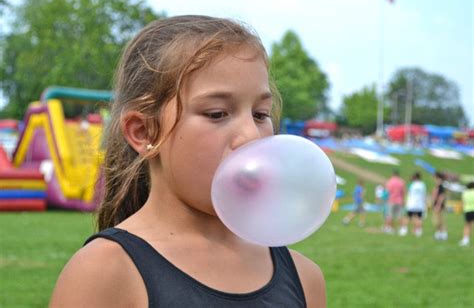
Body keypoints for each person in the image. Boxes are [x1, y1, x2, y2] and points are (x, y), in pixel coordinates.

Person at [49, 16, 325, 307]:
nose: (251, 136)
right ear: (143, 132)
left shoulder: (305, 279)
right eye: (217, 113)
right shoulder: (104, 273)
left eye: (260, 114)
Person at [399, 172, 426, 237]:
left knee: (408, 217)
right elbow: (423, 195)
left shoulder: (412, 184)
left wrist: (404, 201)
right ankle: (418, 232)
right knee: (419, 218)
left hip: (411, 204)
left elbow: (407, 193)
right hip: (420, 204)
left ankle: (403, 230)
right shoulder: (422, 185)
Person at [383, 170, 405, 234]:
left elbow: (387, 192)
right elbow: (403, 192)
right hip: (399, 200)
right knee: (399, 216)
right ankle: (402, 230)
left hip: (391, 200)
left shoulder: (389, 182)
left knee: (390, 215)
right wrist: (403, 200)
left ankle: (390, 229)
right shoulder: (401, 182)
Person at [432, 171, 448, 240]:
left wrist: (438, 205)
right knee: (437, 220)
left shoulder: (441, 186)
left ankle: (444, 234)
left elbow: (441, 196)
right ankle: (439, 233)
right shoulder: (438, 186)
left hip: (439, 205)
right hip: (436, 204)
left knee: (440, 220)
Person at [459, 182, 474, 246]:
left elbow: (462, 202)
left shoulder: (465, 193)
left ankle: (465, 239)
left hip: (467, 210)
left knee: (467, 225)